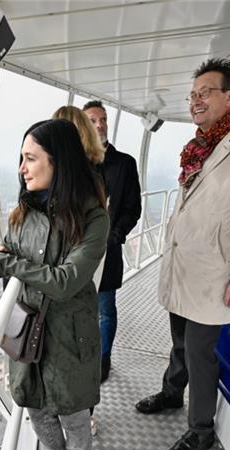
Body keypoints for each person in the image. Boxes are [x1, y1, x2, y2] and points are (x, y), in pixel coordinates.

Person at [135, 58, 230, 450]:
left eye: (205, 93)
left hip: (217, 273)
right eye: (192, 95)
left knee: (201, 352)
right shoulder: (201, 145)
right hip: (184, 265)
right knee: (180, 341)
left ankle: (200, 429)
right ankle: (172, 393)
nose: (195, 101)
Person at [0, 119, 108, 450]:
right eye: (21, 159)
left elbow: (65, 281)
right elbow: (13, 255)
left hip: (69, 332)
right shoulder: (22, 214)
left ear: (57, 162)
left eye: (30, 158)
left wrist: (4, 263)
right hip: (27, 328)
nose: (22, 168)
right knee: (34, 402)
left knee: (73, 410)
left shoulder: (93, 219)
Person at [51, 105, 107, 436]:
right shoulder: (91, 177)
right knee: (82, 338)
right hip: (84, 270)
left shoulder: (77, 181)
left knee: (79, 340)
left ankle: (81, 415)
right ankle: (82, 412)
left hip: (76, 272)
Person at [82, 100, 142, 382]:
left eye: (103, 119)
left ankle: (103, 360)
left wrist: (115, 237)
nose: (100, 125)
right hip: (78, 254)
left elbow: (133, 208)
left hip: (108, 251)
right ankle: (81, 358)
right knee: (79, 309)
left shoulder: (125, 164)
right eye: (93, 120)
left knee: (105, 309)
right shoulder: (74, 166)